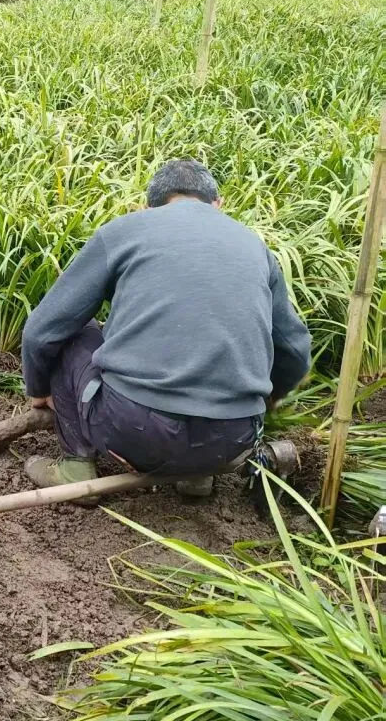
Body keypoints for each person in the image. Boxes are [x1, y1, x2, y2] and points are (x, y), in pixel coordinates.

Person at [20, 160, 311, 502]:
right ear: (217, 204)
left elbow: (42, 331)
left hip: (135, 434)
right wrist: (262, 401)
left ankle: (75, 468)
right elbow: (294, 349)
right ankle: (197, 477)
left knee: (75, 329)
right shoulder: (255, 247)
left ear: (148, 207)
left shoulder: (125, 230)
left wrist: (38, 390)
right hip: (231, 444)